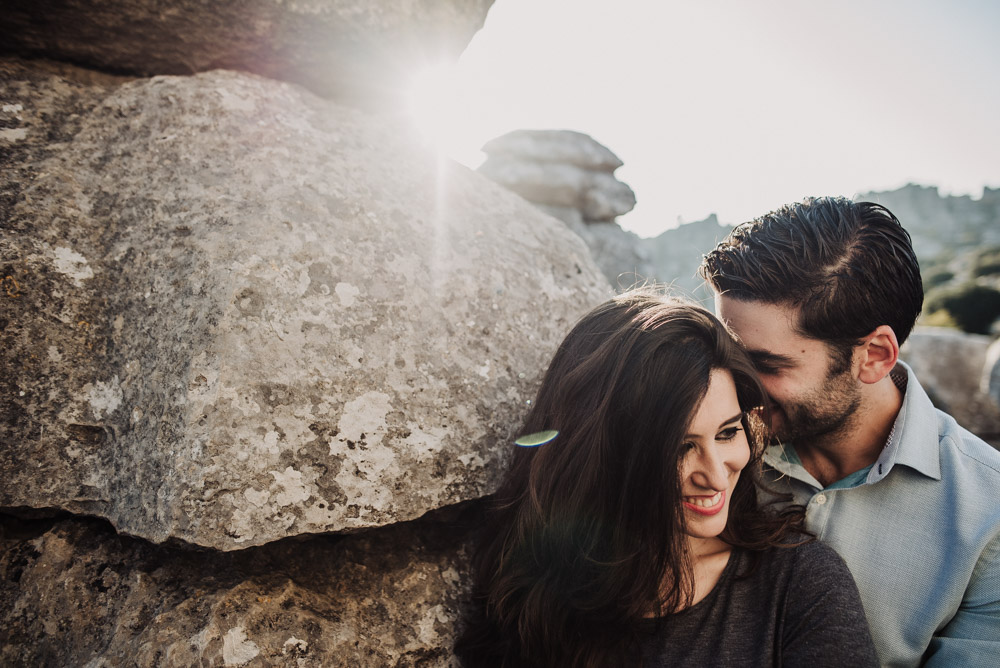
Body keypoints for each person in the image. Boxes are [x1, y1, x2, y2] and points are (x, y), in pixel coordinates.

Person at [455, 290, 877, 667]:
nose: (715, 474)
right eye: (680, 447)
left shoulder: (800, 585)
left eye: (728, 433)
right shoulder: (534, 596)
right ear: (606, 455)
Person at [700, 196, 1000, 667]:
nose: (737, 385)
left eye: (764, 364)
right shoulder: (704, 448)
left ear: (876, 356)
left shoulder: (990, 509)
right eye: (727, 353)